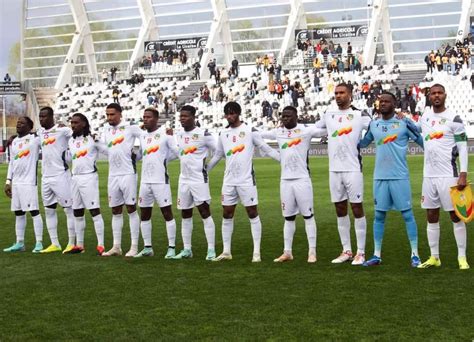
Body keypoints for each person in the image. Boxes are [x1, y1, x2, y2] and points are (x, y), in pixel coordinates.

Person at [207, 102, 280, 262]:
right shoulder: (223, 133)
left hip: (246, 180)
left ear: (238, 114)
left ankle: (256, 253)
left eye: (232, 113)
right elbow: (218, 154)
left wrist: (283, 160)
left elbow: (266, 149)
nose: (229, 116)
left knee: (252, 213)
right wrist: (205, 170)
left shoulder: (250, 131)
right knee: (226, 214)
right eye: (227, 113)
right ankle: (226, 252)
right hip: (229, 181)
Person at [358, 92, 423, 267]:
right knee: (379, 215)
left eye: (388, 101)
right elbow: (363, 143)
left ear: (394, 104)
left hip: (399, 177)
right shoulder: (374, 124)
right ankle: (376, 255)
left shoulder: (403, 124)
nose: (383, 104)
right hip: (380, 177)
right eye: (381, 101)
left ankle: (415, 255)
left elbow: (421, 140)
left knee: (408, 215)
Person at [314, 84, 370, 265]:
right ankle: (346, 250)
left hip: (353, 169)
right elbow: (313, 129)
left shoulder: (360, 114)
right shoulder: (328, 115)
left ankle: (361, 252)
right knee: (340, 209)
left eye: (342, 93)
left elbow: (377, 126)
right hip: (334, 170)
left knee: (357, 208)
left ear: (350, 95)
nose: (338, 96)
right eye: (336, 93)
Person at [415, 84, 469, 270]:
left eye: (439, 93)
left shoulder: (454, 118)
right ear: (429, 96)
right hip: (428, 176)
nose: (436, 96)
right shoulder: (425, 116)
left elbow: (462, 147)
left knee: (455, 215)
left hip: (449, 175)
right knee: (431, 215)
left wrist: (463, 173)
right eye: (433, 93)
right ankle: (434, 257)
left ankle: (462, 257)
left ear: (445, 95)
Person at [261, 106, 325, 263]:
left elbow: (325, 130)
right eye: (283, 116)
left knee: (308, 216)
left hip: (302, 179)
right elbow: (259, 135)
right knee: (288, 217)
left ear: (296, 117)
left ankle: (312, 252)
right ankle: (287, 252)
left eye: (288, 116)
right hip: (285, 181)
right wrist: (277, 156)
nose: (285, 119)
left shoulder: (306, 131)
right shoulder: (278, 132)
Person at [172, 105, 217, 260]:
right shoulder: (179, 135)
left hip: (198, 179)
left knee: (204, 212)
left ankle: (211, 250)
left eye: (185, 116)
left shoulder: (203, 134)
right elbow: (181, 154)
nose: (182, 119)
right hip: (183, 179)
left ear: (193, 117)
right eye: (181, 116)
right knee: (185, 213)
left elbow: (219, 151)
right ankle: (187, 249)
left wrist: (207, 167)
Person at [99, 103, 143, 257]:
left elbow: (143, 138)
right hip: (113, 175)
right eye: (107, 115)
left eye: (112, 114)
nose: (109, 117)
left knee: (131, 208)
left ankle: (134, 246)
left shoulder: (130, 127)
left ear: (120, 114)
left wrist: (137, 153)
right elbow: (107, 149)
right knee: (115, 210)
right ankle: (116, 246)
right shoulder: (106, 130)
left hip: (128, 173)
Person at [134, 108, 178, 258]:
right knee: (144, 214)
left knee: (167, 213)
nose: (145, 120)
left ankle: (171, 247)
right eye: (144, 117)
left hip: (160, 181)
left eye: (148, 117)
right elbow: (139, 156)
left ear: (156, 119)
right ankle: (147, 247)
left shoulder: (166, 135)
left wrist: (165, 159)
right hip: (145, 181)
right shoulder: (142, 136)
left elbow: (177, 153)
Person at [37, 107, 76, 253]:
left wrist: (64, 124)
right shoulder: (40, 132)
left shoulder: (63, 131)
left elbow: (78, 133)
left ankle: (72, 242)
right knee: (49, 210)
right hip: (45, 176)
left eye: (44, 116)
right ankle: (55, 243)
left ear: (52, 117)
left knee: (68, 209)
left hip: (61, 175)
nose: (41, 119)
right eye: (40, 117)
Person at [66, 113, 106, 254]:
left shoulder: (92, 139)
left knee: (94, 211)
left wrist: (99, 140)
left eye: (76, 122)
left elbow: (107, 151)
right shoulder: (70, 141)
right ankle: (80, 245)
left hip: (89, 177)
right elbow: (70, 159)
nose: (73, 125)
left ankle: (101, 244)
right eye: (71, 123)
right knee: (77, 211)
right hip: (75, 178)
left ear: (83, 124)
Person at [4, 117, 44, 253]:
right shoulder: (14, 141)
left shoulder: (35, 139)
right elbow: (12, 163)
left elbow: (45, 135)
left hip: (29, 182)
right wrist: (8, 181)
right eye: (18, 123)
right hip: (16, 183)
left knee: (34, 211)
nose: (18, 125)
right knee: (18, 213)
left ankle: (39, 242)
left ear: (29, 126)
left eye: (22, 123)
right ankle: (19, 242)